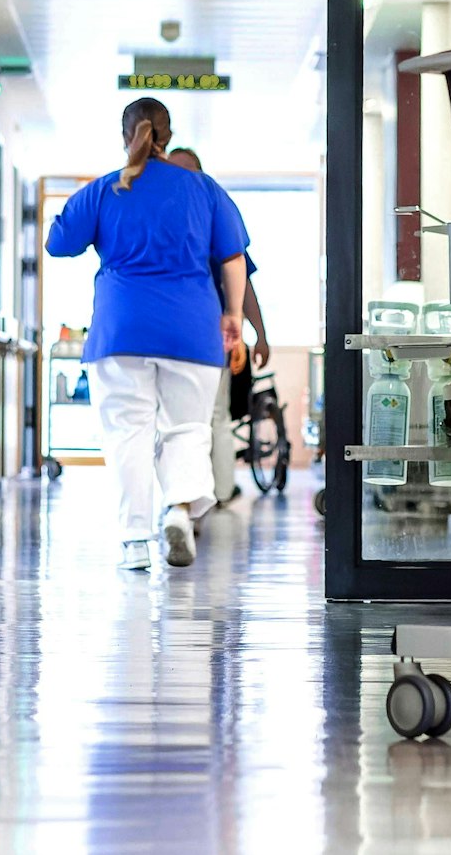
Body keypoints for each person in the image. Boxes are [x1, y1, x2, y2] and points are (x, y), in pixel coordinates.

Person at [45, 99, 248, 570]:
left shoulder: (105, 190)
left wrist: (92, 203)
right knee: (188, 431)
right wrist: (232, 315)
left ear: (124, 135)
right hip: (191, 330)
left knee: (127, 437)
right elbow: (233, 258)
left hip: (121, 329)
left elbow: (58, 243)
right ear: (168, 136)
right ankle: (177, 510)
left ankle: (135, 541)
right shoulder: (203, 189)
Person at [166, 145, 273, 504]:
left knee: (215, 416)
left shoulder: (215, 219)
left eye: (190, 173)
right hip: (168, 339)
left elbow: (245, 284)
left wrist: (260, 333)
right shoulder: (164, 218)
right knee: (179, 419)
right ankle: (185, 495)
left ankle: (219, 493)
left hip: (215, 337)